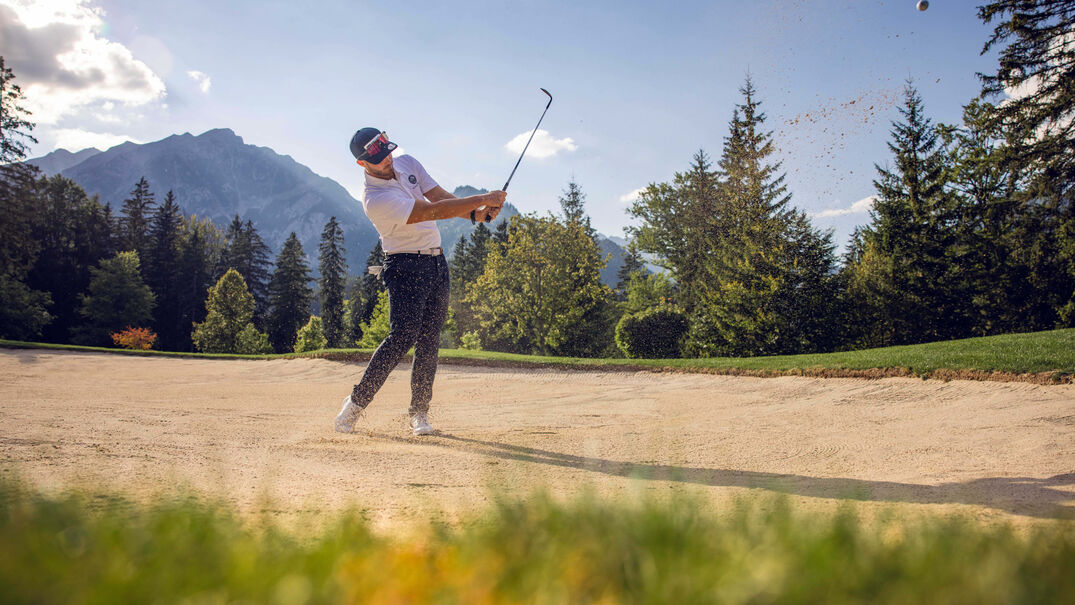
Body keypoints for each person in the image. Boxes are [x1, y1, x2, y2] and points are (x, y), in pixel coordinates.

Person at [335, 128, 506, 436]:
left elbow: (440, 197)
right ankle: (355, 404)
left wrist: (477, 214)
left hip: (436, 262)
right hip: (404, 265)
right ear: (363, 164)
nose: (386, 159)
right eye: (377, 158)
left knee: (429, 340)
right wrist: (483, 198)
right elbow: (432, 211)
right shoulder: (375, 199)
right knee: (402, 337)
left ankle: (419, 413)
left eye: (387, 151)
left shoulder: (407, 163)